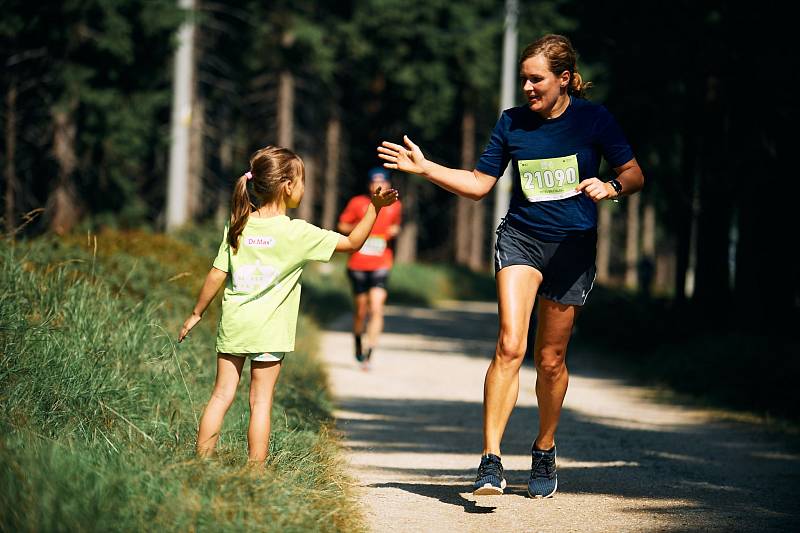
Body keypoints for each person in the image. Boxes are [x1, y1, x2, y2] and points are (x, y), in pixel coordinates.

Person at [378, 34, 644, 498]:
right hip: (521, 239)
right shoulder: (512, 124)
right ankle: (490, 461)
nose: (527, 87)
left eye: (535, 79)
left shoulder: (594, 119)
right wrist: (427, 168)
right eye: (523, 79)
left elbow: (634, 173)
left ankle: (544, 447)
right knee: (509, 343)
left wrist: (611, 188)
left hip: (573, 249)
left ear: (564, 80)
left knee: (550, 359)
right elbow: (480, 184)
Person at [177, 146, 398, 463]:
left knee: (221, 395)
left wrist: (196, 313)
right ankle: (255, 474)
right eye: (303, 181)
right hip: (269, 333)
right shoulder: (298, 233)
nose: (304, 188)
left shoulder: (238, 224)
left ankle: (199, 464)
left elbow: (216, 274)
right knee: (261, 401)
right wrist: (374, 209)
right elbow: (351, 244)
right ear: (288, 186)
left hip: (235, 325)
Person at [337, 167, 402, 370]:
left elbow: (396, 225)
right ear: (369, 185)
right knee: (361, 311)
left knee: (376, 307)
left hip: (381, 263)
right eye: (375, 182)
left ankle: (369, 353)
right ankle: (358, 340)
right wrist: (360, 229)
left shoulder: (395, 205)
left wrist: (393, 230)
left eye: (383, 182)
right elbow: (342, 226)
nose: (379, 186)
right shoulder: (358, 203)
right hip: (357, 264)